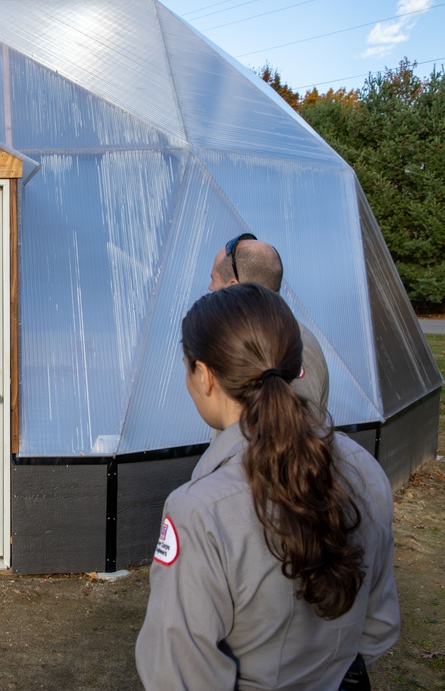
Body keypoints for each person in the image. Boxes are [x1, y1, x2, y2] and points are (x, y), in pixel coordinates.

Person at [135, 283, 399, 690]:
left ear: (204, 376)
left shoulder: (200, 510)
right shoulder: (363, 468)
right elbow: (378, 626)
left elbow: (178, 673)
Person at [208, 232, 329, 420]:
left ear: (233, 287)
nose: (210, 287)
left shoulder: (293, 346)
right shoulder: (250, 338)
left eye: (213, 279)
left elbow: (302, 436)